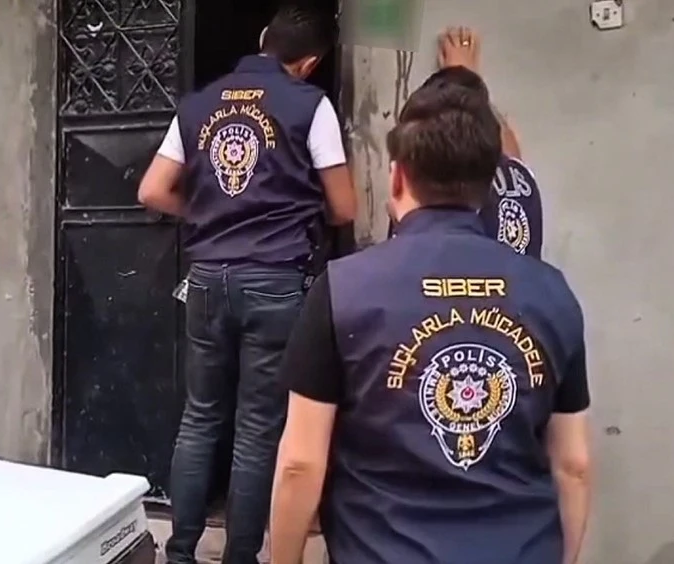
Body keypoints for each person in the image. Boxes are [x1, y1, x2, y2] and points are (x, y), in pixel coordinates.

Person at [268, 62, 592, 563]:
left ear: (397, 175)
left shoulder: (344, 289)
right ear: (489, 182)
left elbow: (299, 465)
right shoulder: (551, 292)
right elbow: (573, 465)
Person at [137, 5, 356, 563]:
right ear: (310, 62)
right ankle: (240, 557)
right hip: (276, 281)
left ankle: (179, 553)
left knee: (199, 417)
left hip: (208, 278)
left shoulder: (198, 105)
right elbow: (343, 207)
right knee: (258, 428)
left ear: (262, 39)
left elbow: (152, 190)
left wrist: (211, 214)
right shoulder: (310, 105)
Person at [388, 27, 544, 258]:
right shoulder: (518, 190)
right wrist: (465, 88)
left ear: (398, 180)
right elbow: (506, 152)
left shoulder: (392, 258)